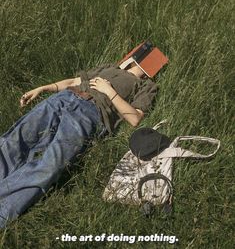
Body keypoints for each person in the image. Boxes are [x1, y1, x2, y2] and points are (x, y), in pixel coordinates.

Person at [0, 42, 166, 228]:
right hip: (62, 100)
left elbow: (134, 118)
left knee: (51, 164)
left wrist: (109, 91)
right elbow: (72, 82)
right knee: (14, 141)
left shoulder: (147, 85)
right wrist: (43, 89)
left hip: (89, 115)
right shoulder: (109, 67)